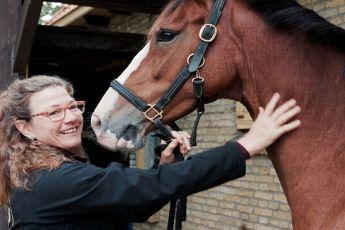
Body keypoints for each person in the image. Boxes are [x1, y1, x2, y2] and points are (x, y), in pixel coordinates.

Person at [0, 75, 301, 230]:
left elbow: (131, 207)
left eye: (72, 107)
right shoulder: (51, 180)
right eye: (53, 113)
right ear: (25, 128)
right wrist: (246, 144)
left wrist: (165, 162)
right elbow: (144, 188)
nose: (71, 118)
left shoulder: (49, 169)